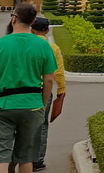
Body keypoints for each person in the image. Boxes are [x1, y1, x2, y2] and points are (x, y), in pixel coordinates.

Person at [0, 3, 56, 173]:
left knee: (2, 154)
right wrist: (43, 103)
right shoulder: (43, 45)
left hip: (2, 104)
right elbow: (48, 80)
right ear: (33, 20)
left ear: (14, 19)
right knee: (26, 157)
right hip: (32, 104)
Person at [29, 18, 65, 172]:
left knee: (21, 125)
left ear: (32, 30)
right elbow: (58, 72)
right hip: (43, 90)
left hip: (23, 90)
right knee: (42, 125)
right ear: (47, 30)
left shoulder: (25, 45)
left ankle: (18, 158)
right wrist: (61, 90)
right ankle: (37, 160)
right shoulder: (52, 48)